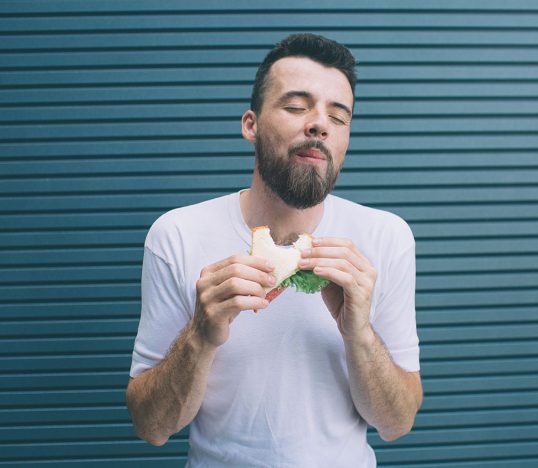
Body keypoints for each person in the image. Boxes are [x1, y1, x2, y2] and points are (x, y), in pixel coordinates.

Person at [126, 33, 422, 467]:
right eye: (297, 106)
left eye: (339, 117)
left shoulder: (386, 237)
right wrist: (201, 335)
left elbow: (397, 424)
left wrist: (358, 332)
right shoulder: (177, 235)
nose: (319, 123)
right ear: (251, 124)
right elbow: (151, 428)